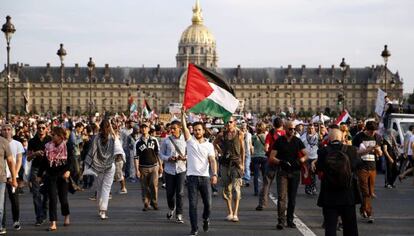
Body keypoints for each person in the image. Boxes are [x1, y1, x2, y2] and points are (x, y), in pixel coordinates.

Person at [316, 129, 362, 236]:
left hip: (329, 195)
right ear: (342, 138)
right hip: (348, 195)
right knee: (350, 228)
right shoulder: (351, 150)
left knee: (330, 228)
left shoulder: (323, 151)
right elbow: (358, 165)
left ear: (329, 139)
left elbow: (319, 168)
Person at [181, 108, 217, 236]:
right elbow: (184, 128)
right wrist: (182, 115)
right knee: (192, 205)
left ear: (203, 131)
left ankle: (206, 218)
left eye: (199, 130)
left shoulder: (209, 145)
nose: (196, 132)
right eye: (195, 130)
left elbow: (212, 160)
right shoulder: (190, 142)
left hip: (205, 177)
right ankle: (194, 228)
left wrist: (214, 174)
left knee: (208, 204)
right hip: (192, 178)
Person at [268, 121, 307, 230]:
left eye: (294, 129)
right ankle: (281, 221)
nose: (292, 131)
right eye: (290, 129)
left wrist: (300, 160)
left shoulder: (297, 141)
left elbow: (306, 154)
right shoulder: (279, 141)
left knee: (292, 198)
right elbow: (272, 157)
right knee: (282, 197)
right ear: (285, 128)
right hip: (283, 172)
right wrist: (281, 162)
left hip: (295, 172)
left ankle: (290, 220)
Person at [37, 127, 73, 231]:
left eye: (54, 135)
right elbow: (44, 161)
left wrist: (68, 171)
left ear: (60, 136)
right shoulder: (48, 146)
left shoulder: (67, 145)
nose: (52, 136)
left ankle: (66, 215)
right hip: (51, 175)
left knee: (63, 199)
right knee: (52, 199)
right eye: (52, 135)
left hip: (63, 175)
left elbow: (70, 160)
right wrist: (39, 175)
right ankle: (53, 223)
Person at [84, 119, 118, 220]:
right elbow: (117, 143)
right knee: (106, 189)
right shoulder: (112, 137)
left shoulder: (96, 138)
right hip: (110, 165)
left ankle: (100, 209)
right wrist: (111, 128)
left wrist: (93, 163)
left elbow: (93, 151)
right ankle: (103, 210)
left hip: (98, 166)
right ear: (109, 127)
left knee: (99, 188)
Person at [214, 116, 245, 222]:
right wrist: (221, 152)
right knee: (227, 189)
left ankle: (236, 213)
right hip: (225, 164)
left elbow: (242, 150)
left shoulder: (240, 134)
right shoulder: (222, 134)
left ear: (234, 123)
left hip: (236, 164)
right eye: (226, 122)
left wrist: (243, 164)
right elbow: (215, 143)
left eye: (230, 122)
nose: (228, 124)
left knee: (236, 189)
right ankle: (230, 212)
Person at [352, 121, 382, 223]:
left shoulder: (377, 137)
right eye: (370, 132)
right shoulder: (358, 137)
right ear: (366, 129)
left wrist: (378, 151)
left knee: (370, 191)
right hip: (361, 166)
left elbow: (380, 153)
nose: (372, 133)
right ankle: (369, 213)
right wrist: (368, 150)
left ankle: (363, 209)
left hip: (372, 167)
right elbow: (356, 152)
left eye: (374, 131)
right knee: (365, 191)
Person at [159, 120, 187, 223]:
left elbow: (190, 153)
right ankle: (171, 208)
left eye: (174, 128)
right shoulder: (166, 140)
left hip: (181, 169)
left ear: (180, 128)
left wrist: (184, 157)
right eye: (171, 128)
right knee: (170, 193)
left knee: (180, 193)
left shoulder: (186, 140)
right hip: (169, 170)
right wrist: (168, 158)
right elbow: (161, 154)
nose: (172, 130)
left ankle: (179, 214)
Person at [256, 117, 285, 210]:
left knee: (266, 183)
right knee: (282, 185)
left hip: (272, 160)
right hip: (282, 161)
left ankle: (262, 204)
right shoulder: (285, 134)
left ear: (273, 124)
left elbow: (266, 148)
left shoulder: (270, 134)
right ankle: (283, 205)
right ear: (282, 125)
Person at [27, 121, 51, 226]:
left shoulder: (50, 139)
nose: (41, 130)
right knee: (36, 194)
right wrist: (35, 154)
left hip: (47, 169)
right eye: (39, 128)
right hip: (36, 169)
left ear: (46, 129)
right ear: (36, 129)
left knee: (46, 194)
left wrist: (47, 154)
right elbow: (28, 158)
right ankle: (39, 217)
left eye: (43, 128)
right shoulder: (32, 141)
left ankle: (44, 213)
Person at [134, 123, 163, 211]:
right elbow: (136, 157)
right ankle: (146, 202)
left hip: (154, 166)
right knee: (144, 186)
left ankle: (154, 202)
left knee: (154, 185)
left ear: (148, 129)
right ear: (140, 129)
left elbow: (158, 154)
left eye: (145, 127)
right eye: (142, 127)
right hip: (143, 167)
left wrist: (161, 165)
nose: (144, 129)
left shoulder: (154, 140)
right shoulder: (137, 142)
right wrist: (137, 170)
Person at [1, 124, 23, 231]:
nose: (6, 131)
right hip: (2, 176)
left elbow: (19, 160)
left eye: (8, 129)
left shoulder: (17, 144)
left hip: (13, 176)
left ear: (12, 131)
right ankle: (2, 224)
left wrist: (14, 174)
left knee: (14, 200)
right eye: (4, 129)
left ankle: (16, 220)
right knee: (1, 203)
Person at [0, 134, 18, 235]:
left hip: (1, 179)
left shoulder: (3, 142)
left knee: (0, 206)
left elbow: (11, 161)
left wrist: (14, 178)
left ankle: (1, 226)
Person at [301, 124, 319, 195]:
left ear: (314, 129)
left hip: (315, 157)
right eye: (309, 128)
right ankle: (308, 188)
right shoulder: (303, 137)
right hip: (307, 157)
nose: (311, 130)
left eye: (312, 128)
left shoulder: (318, 136)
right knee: (308, 173)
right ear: (307, 129)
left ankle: (313, 187)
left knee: (313, 173)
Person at [251, 122, 267, 196]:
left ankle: (256, 191)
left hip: (256, 156)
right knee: (264, 175)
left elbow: (252, 144)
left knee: (256, 175)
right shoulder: (266, 136)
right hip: (264, 156)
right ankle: (265, 190)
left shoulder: (254, 136)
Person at [241, 122, 253, 187]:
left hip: (247, 152)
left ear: (246, 128)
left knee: (247, 167)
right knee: (241, 167)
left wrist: (251, 152)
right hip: (240, 153)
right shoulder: (239, 134)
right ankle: (241, 181)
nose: (243, 129)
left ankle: (247, 180)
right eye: (242, 127)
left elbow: (250, 144)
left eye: (244, 127)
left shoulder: (249, 135)